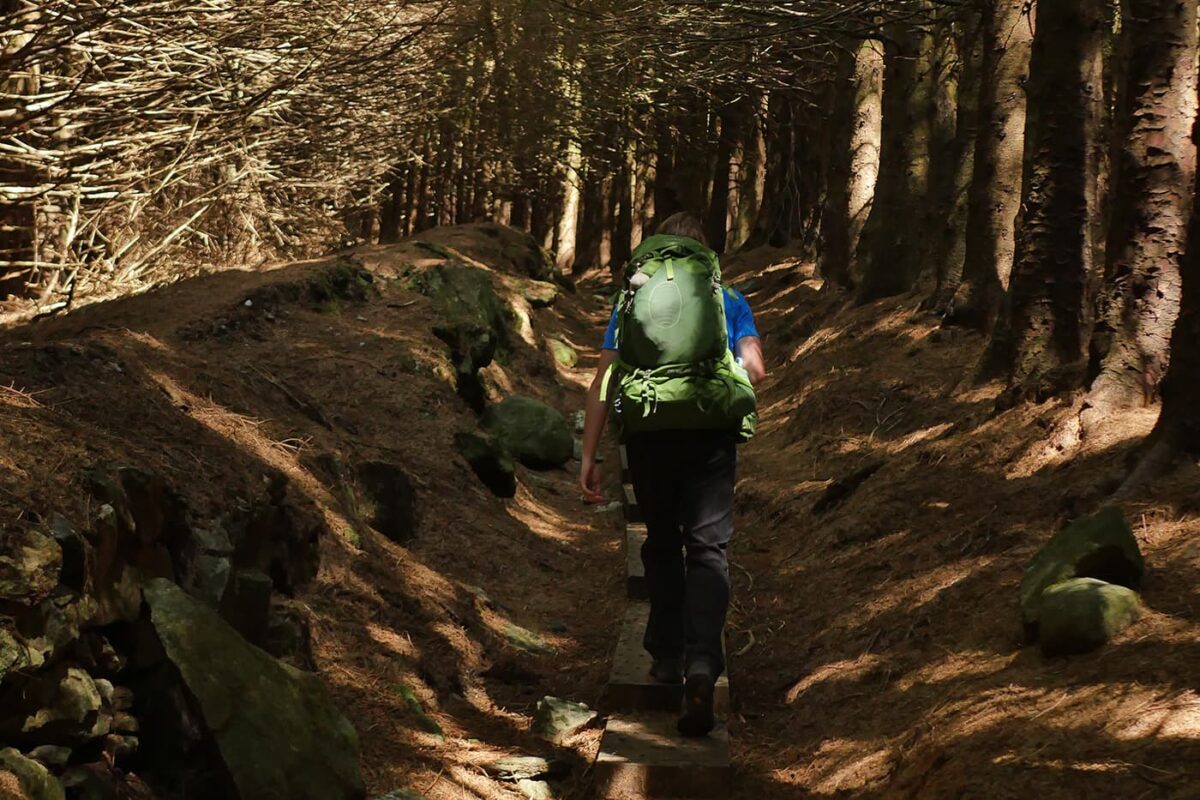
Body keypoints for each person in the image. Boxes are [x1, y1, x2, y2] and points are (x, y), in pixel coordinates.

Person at [579, 212, 765, 737]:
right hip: (708, 433)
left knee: (661, 542)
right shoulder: (726, 299)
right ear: (704, 254)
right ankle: (703, 663)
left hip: (649, 431)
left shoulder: (631, 299)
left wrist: (589, 453)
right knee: (707, 548)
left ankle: (664, 654)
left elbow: (605, 377)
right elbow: (755, 368)